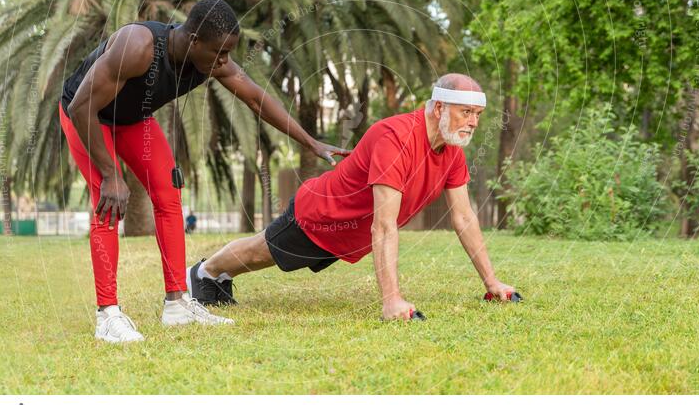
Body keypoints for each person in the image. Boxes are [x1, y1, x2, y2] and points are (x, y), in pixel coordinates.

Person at [59, 0, 349, 342]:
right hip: (87, 116)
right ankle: (107, 315)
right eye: (219, 53)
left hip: (132, 119)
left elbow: (255, 99)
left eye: (228, 53)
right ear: (193, 40)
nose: (225, 62)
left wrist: (311, 142)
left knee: (168, 195)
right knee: (108, 205)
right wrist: (110, 174)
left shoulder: (212, 60)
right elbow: (81, 107)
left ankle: (177, 304)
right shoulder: (137, 47)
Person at [187, 73, 515, 319]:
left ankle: (215, 274)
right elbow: (384, 225)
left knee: (261, 255)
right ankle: (205, 273)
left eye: (477, 115)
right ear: (440, 106)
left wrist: (492, 282)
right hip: (322, 216)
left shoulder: (451, 150)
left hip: (351, 236)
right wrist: (392, 301)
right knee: (260, 253)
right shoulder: (396, 137)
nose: (472, 123)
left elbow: (463, 215)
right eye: (465, 112)